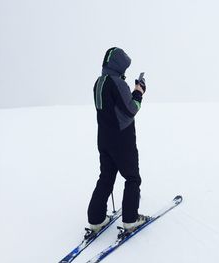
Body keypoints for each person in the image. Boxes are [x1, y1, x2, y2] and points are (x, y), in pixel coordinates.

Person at [87, 47, 148, 234]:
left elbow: (114, 109)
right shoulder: (117, 83)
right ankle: (130, 219)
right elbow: (131, 109)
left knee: (106, 178)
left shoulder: (99, 82)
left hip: (104, 139)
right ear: (118, 65)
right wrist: (139, 91)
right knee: (132, 178)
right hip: (122, 140)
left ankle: (96, 219)